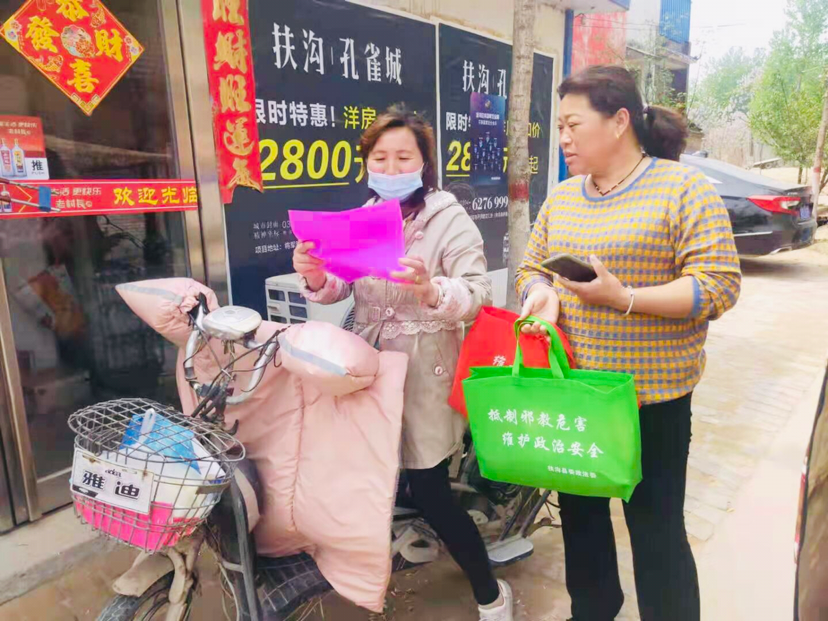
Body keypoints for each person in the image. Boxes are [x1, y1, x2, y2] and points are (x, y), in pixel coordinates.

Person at [516, 65, 742, 621]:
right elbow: (531, 267)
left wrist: (625, 298)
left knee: (656, 528)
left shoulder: (682, 189)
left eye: (573, 125)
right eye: (560, 126)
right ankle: (593, 610)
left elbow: (718, 285)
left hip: (652, 401)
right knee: (581, 523)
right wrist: (541, 293)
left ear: (619, 121)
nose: (563, 138)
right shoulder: (563, 199)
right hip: (576, 393)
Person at [293, 105, 514, 620]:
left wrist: (430, 289)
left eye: (403, 157)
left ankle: (489, 593)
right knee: (368, 474)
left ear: (424, 164)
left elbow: (479, 292)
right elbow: (341, 286)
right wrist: (314, 274)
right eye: (380, 158)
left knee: (431, 489)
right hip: (369, 364)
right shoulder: (366, 215)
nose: (391, 168)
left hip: (425, 369)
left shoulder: (448, 218)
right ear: (367, 163)